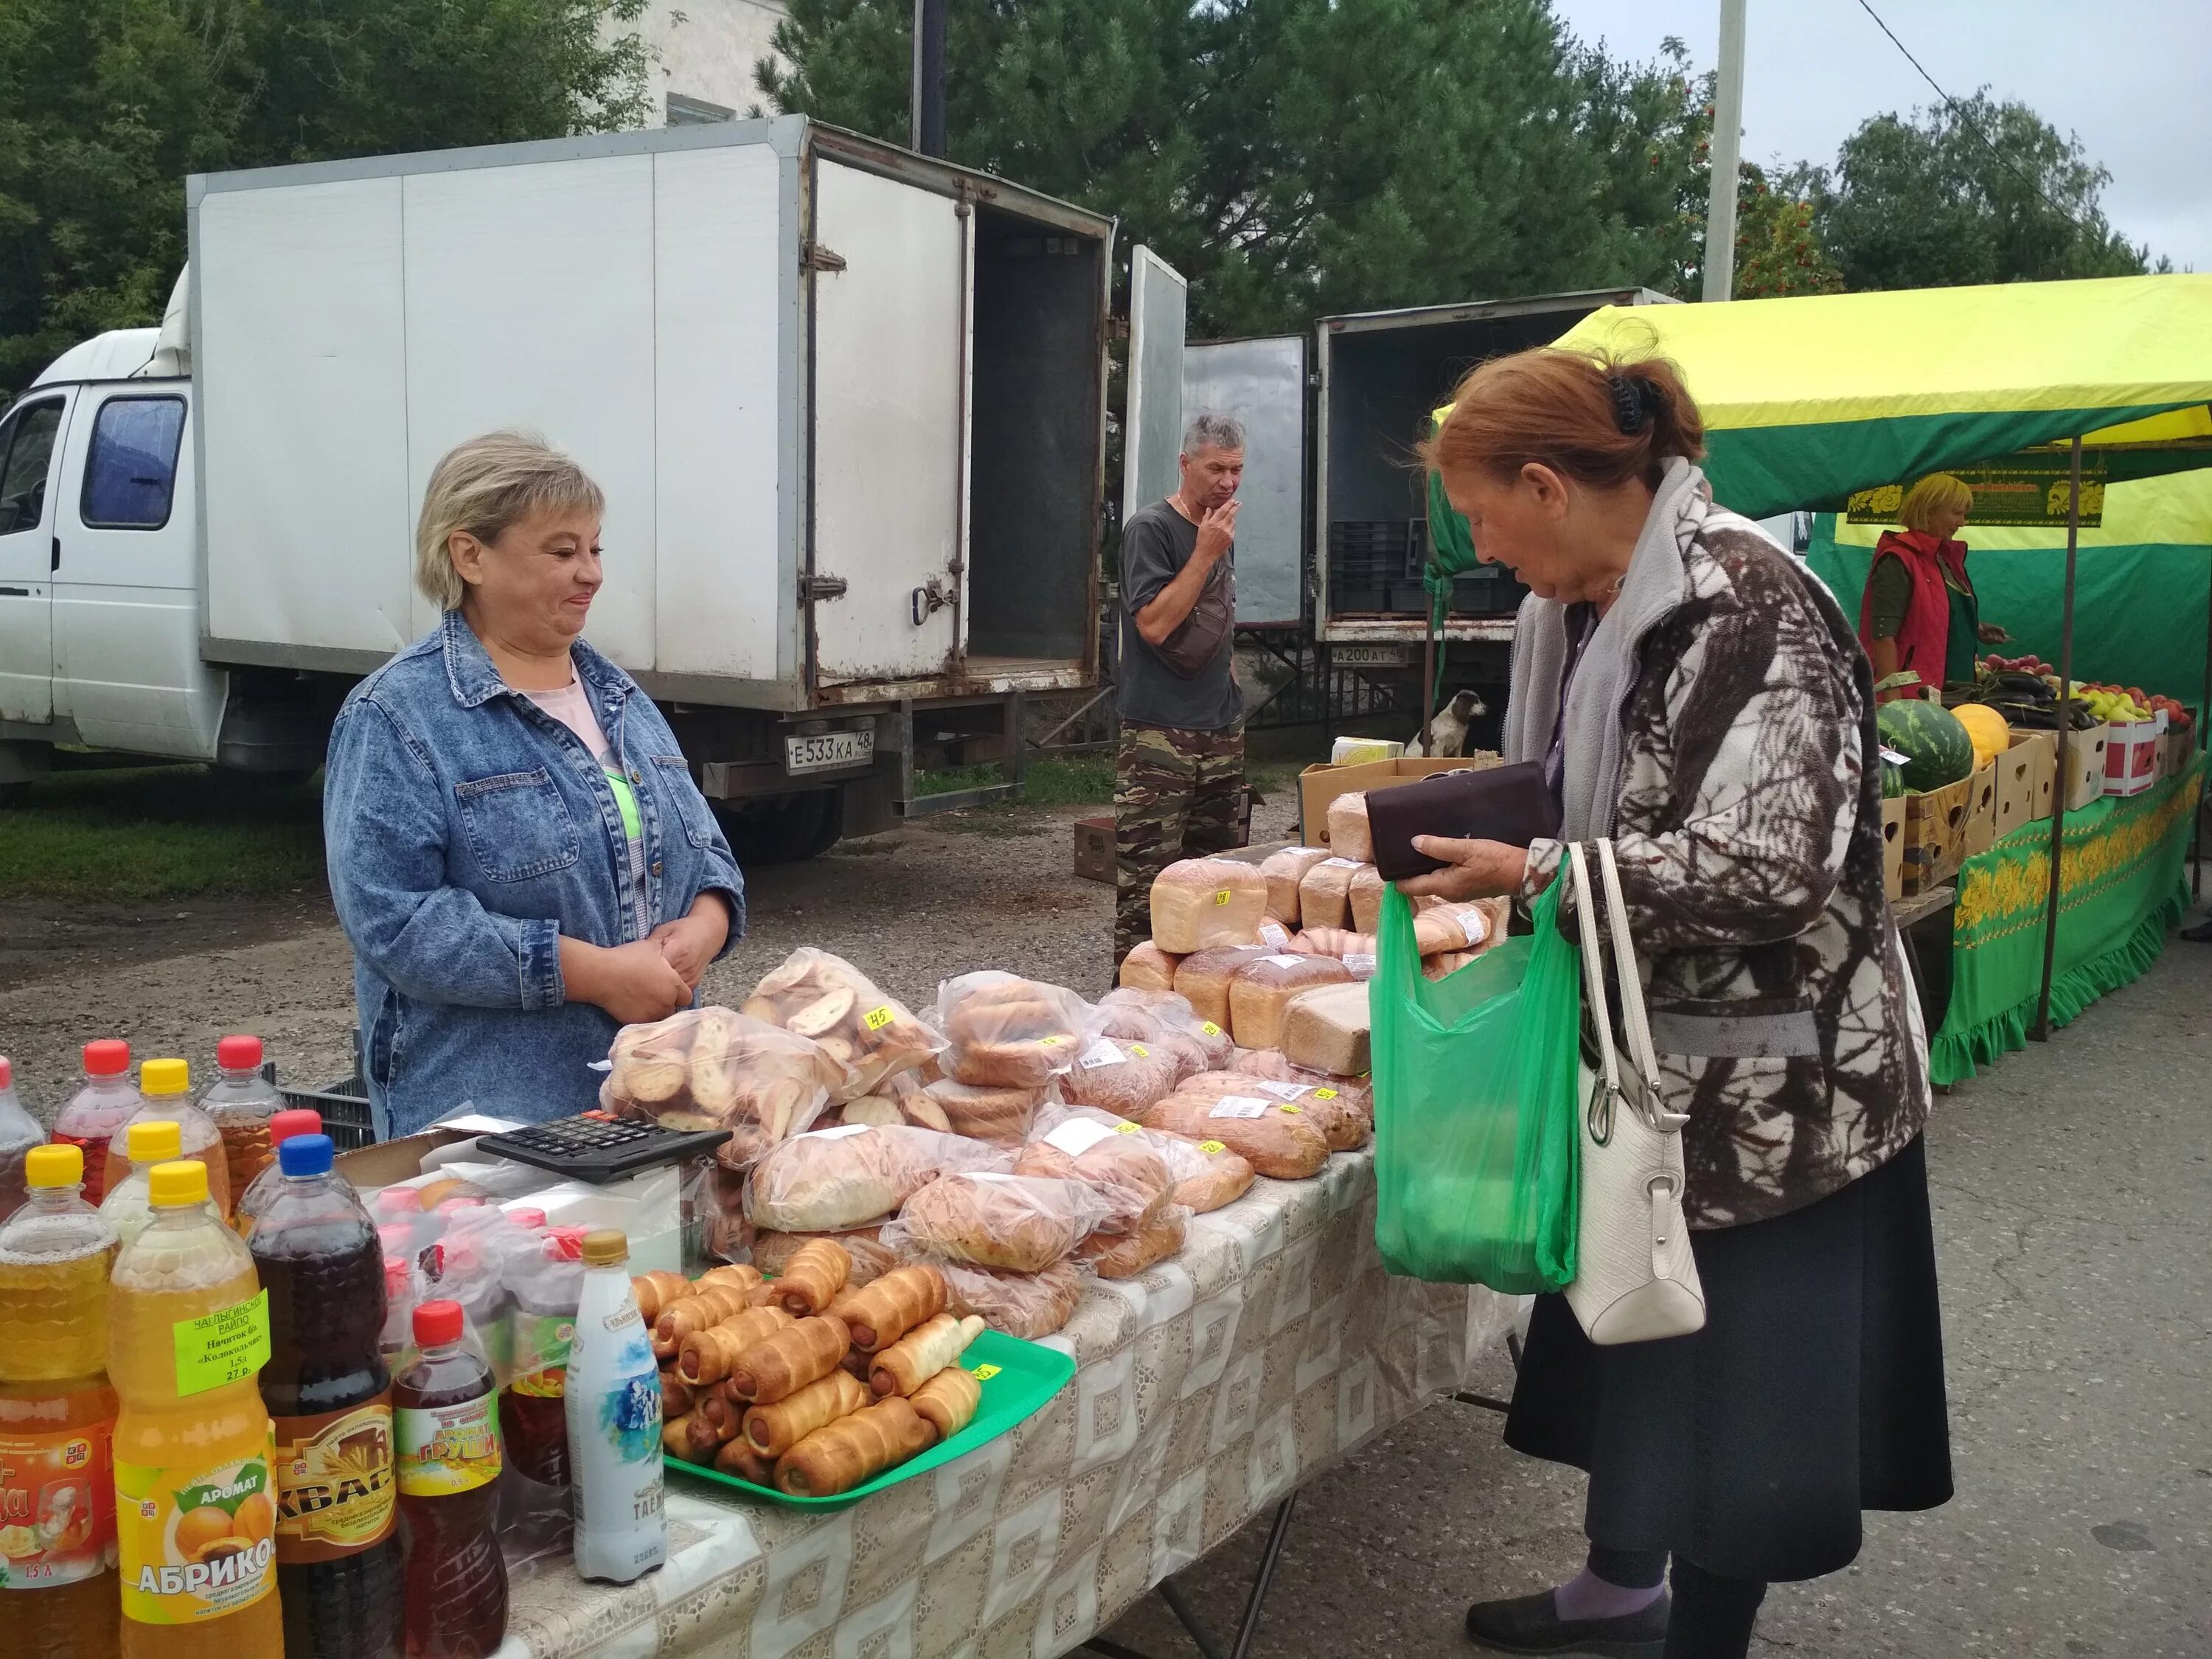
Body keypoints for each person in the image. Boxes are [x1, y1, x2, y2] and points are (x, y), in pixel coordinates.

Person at [1401, 350, 1952, 1659]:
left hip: (1777, 1099)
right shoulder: (1607, 603)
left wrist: (1541, 872)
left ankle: (1701, 1636)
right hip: (1664, 1068)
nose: (1480, 545)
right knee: (1648, 1354)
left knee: (1733, 1417)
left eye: (1482, 513)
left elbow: (1772, 867)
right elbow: (1620, 792)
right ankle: (1616, 1592)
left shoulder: (1748, 608)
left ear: (1548, 485)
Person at [324, 431, 745, 1137]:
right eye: (562, 551)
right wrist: (594, 974)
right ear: (470, 555)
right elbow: (397, 921)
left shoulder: (621, 698)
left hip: (648, 1097)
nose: (591, 574)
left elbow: (704, 849)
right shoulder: (397, 716)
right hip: (493, 1117)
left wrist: (707, 924)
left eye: (595, 548)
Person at [1113, 411, 1248, 961]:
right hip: (1159, 736)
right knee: (1150, 892)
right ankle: (1133, 1014)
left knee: (1218, 885)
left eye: (1237, 470)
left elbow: (1218, 619)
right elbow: (1153, 624)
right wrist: (1204, 554)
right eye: (1216, 468)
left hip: (1220, 728)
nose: (1228, 482)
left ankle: (1202, 1010)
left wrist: (1233, 699)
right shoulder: (1151, 529)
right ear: (1185, 463)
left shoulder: (1217, 526)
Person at [1858, 471, 2007, 698]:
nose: (1962, 523)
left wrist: (1973, 628)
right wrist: (1894, 703)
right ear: (1929, 510)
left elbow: (1930, 614)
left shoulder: (1944, 560)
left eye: (1964, 514)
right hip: (1915, 696)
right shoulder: (1897, 560)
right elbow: (1883, 635)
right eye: (1957, 513)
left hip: (1952, 691)